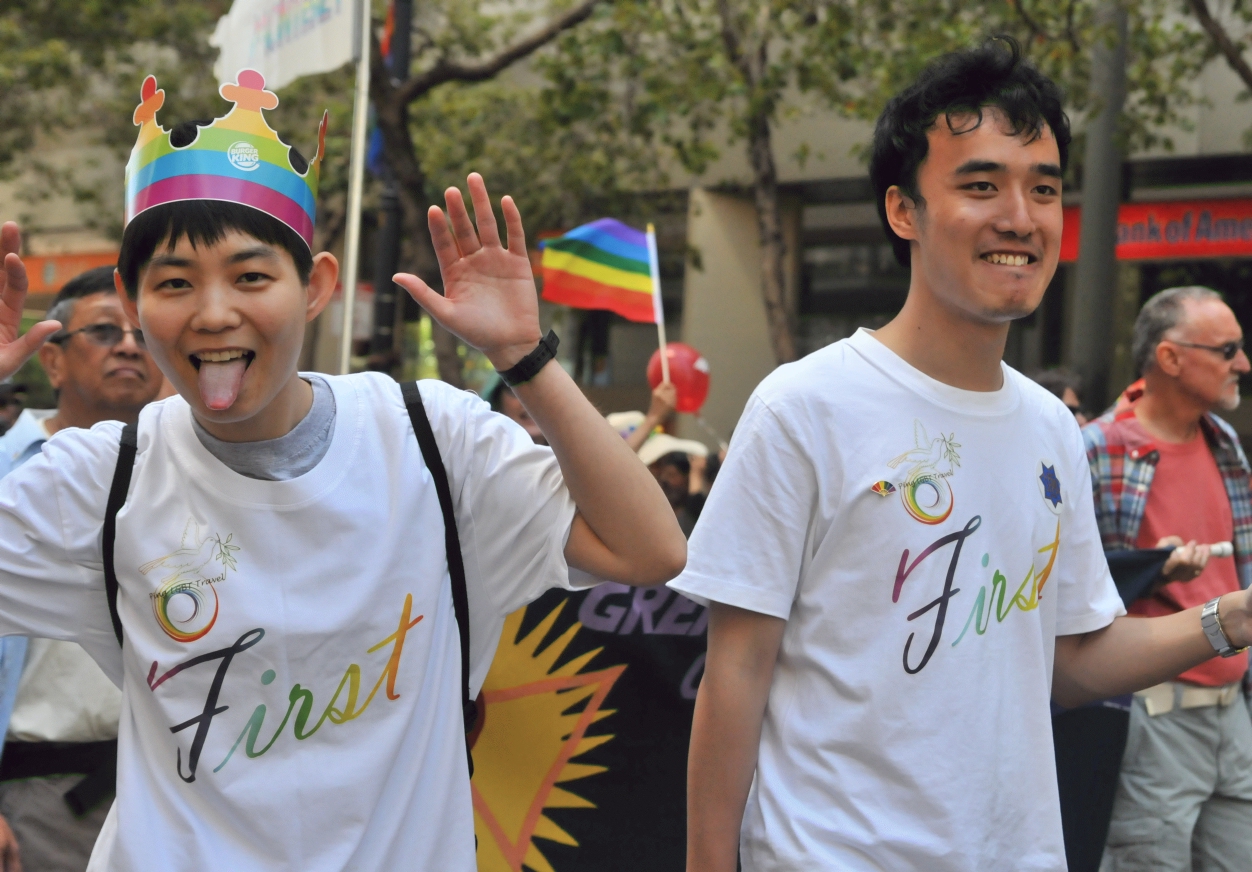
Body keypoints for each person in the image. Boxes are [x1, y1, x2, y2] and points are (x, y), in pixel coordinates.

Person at [0, 70, 684, 872]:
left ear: (317, 286)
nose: (214, 312)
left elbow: (651, 552)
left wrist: (524, 358)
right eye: (175, 283)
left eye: (252, 277)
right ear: (131, 297)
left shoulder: (433, 443)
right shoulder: (102, 479)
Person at [670, 38, 1252, 872]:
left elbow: (1074, 659)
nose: (1020, 217)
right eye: (980, 185)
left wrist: (1232, 617)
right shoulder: (804, 407)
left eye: (1043, 189)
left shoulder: (1053, 427)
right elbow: (734, 670)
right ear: (903, 210)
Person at [0, 264, 162, 872]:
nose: (127, 344)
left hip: (173, 791)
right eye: (102, 331)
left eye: (143, 333)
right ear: (53, 361)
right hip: (34, 800)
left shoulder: (196, 476)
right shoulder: (8, 473)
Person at [1084, 286, 1252, 869]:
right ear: (1171, 357)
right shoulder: (1097, 449)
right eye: (1228, 350)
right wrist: (1150, 568)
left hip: (1234, 712)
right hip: (1154, 717)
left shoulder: (1223, 441)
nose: (1243, 364)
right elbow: (1065, 588)